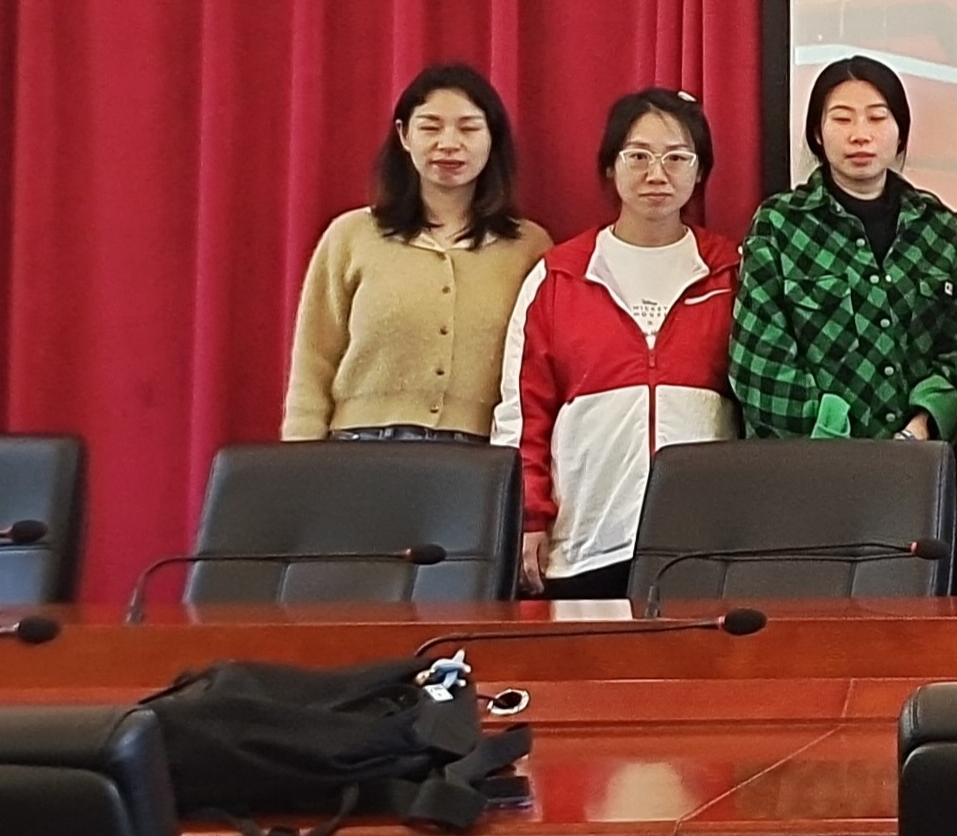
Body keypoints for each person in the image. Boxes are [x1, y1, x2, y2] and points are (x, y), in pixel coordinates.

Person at [493, 88, 741, 600]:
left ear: (700, 171)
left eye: (677, 157)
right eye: (638, 156)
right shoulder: (559, 275)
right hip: (587, 541)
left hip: (702, 545)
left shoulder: (732, 272)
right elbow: (523, 411)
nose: (657, 174)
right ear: (610, 166)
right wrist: (529, 517)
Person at [282, 63, 553, 442]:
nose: (449, 143)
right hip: (358, 447)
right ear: (404, 135)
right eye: (430, 127)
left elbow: (541, 370)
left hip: (477, 452)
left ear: (493, 138)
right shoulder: (352, 235)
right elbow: (313, 360)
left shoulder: (529, 247)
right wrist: (300, 452)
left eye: (468, 128)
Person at [727, 57, 957, 445]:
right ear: (817, 132)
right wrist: (833, 434)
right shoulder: (780, 225)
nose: (860, 135)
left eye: (877, 118)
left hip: (918, 458)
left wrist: (923, 423)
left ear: (900, 132)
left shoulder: (938, 228)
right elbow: (758, 361)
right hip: (810, 460)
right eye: (842, 119)